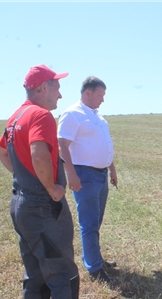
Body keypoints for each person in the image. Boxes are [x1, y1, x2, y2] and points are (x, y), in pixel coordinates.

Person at [0, 64, 104, 299]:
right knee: (63, 275)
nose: (59, 93)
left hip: (21, 203)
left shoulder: (16, 116)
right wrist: (52, 188)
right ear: (42, 87)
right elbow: (38, 152)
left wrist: (27, 179)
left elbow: (3, 152)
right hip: (43, 208)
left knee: (35, 274)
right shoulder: (41, 115)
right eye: (56, 86)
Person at [58, 76, 118, 283]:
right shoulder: (73, 114)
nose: (102, 100)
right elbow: (63, 145)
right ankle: (94, 267)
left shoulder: (97, 117)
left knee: (96, 220)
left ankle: (94, 258)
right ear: (87, 93)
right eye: (100, 95)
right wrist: (71, 174)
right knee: (89, 222)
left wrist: (112, 169)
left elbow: (105, 144)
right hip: (85, 175)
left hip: (101, 175)